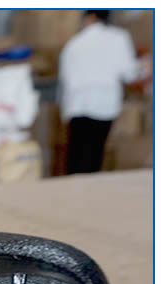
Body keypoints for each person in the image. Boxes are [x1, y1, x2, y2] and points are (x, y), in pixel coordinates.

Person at [58, 10, 141, 174]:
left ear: (90, 18)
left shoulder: (73, 44)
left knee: (76, 155)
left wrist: (64, 111)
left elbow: (64, 79)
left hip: (77, 104)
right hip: (104, 104)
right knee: (95, 152)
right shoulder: (118, 38)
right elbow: (129, 73)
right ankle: (91, 187)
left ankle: (72, 187)